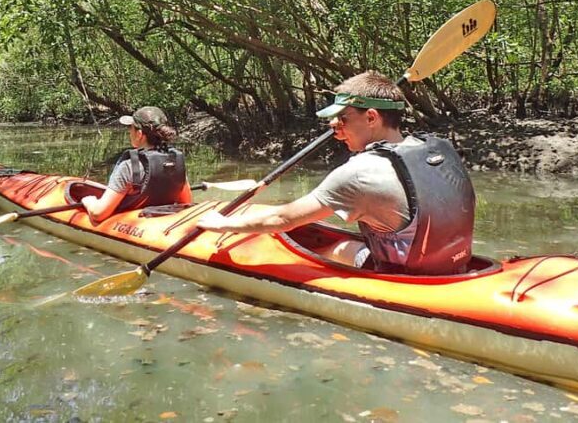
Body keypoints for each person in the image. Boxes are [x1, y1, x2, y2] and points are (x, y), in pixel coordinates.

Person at [197, 71, 475, 275]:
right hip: (454, 265)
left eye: (343, 118)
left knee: (334, 251)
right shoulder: (436, 149)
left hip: (405, 276)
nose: (334, 126)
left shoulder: (360, 172)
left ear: (371, 118)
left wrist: (221, 224)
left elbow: (282, 218)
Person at [81, 106, 192, 222]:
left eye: (131, 128)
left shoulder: (129, 166)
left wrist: (89, 202)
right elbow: (187, 203)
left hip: (137, 227)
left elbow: (98, 214)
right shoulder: (175, 162)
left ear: (139, 134)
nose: (130, 132)